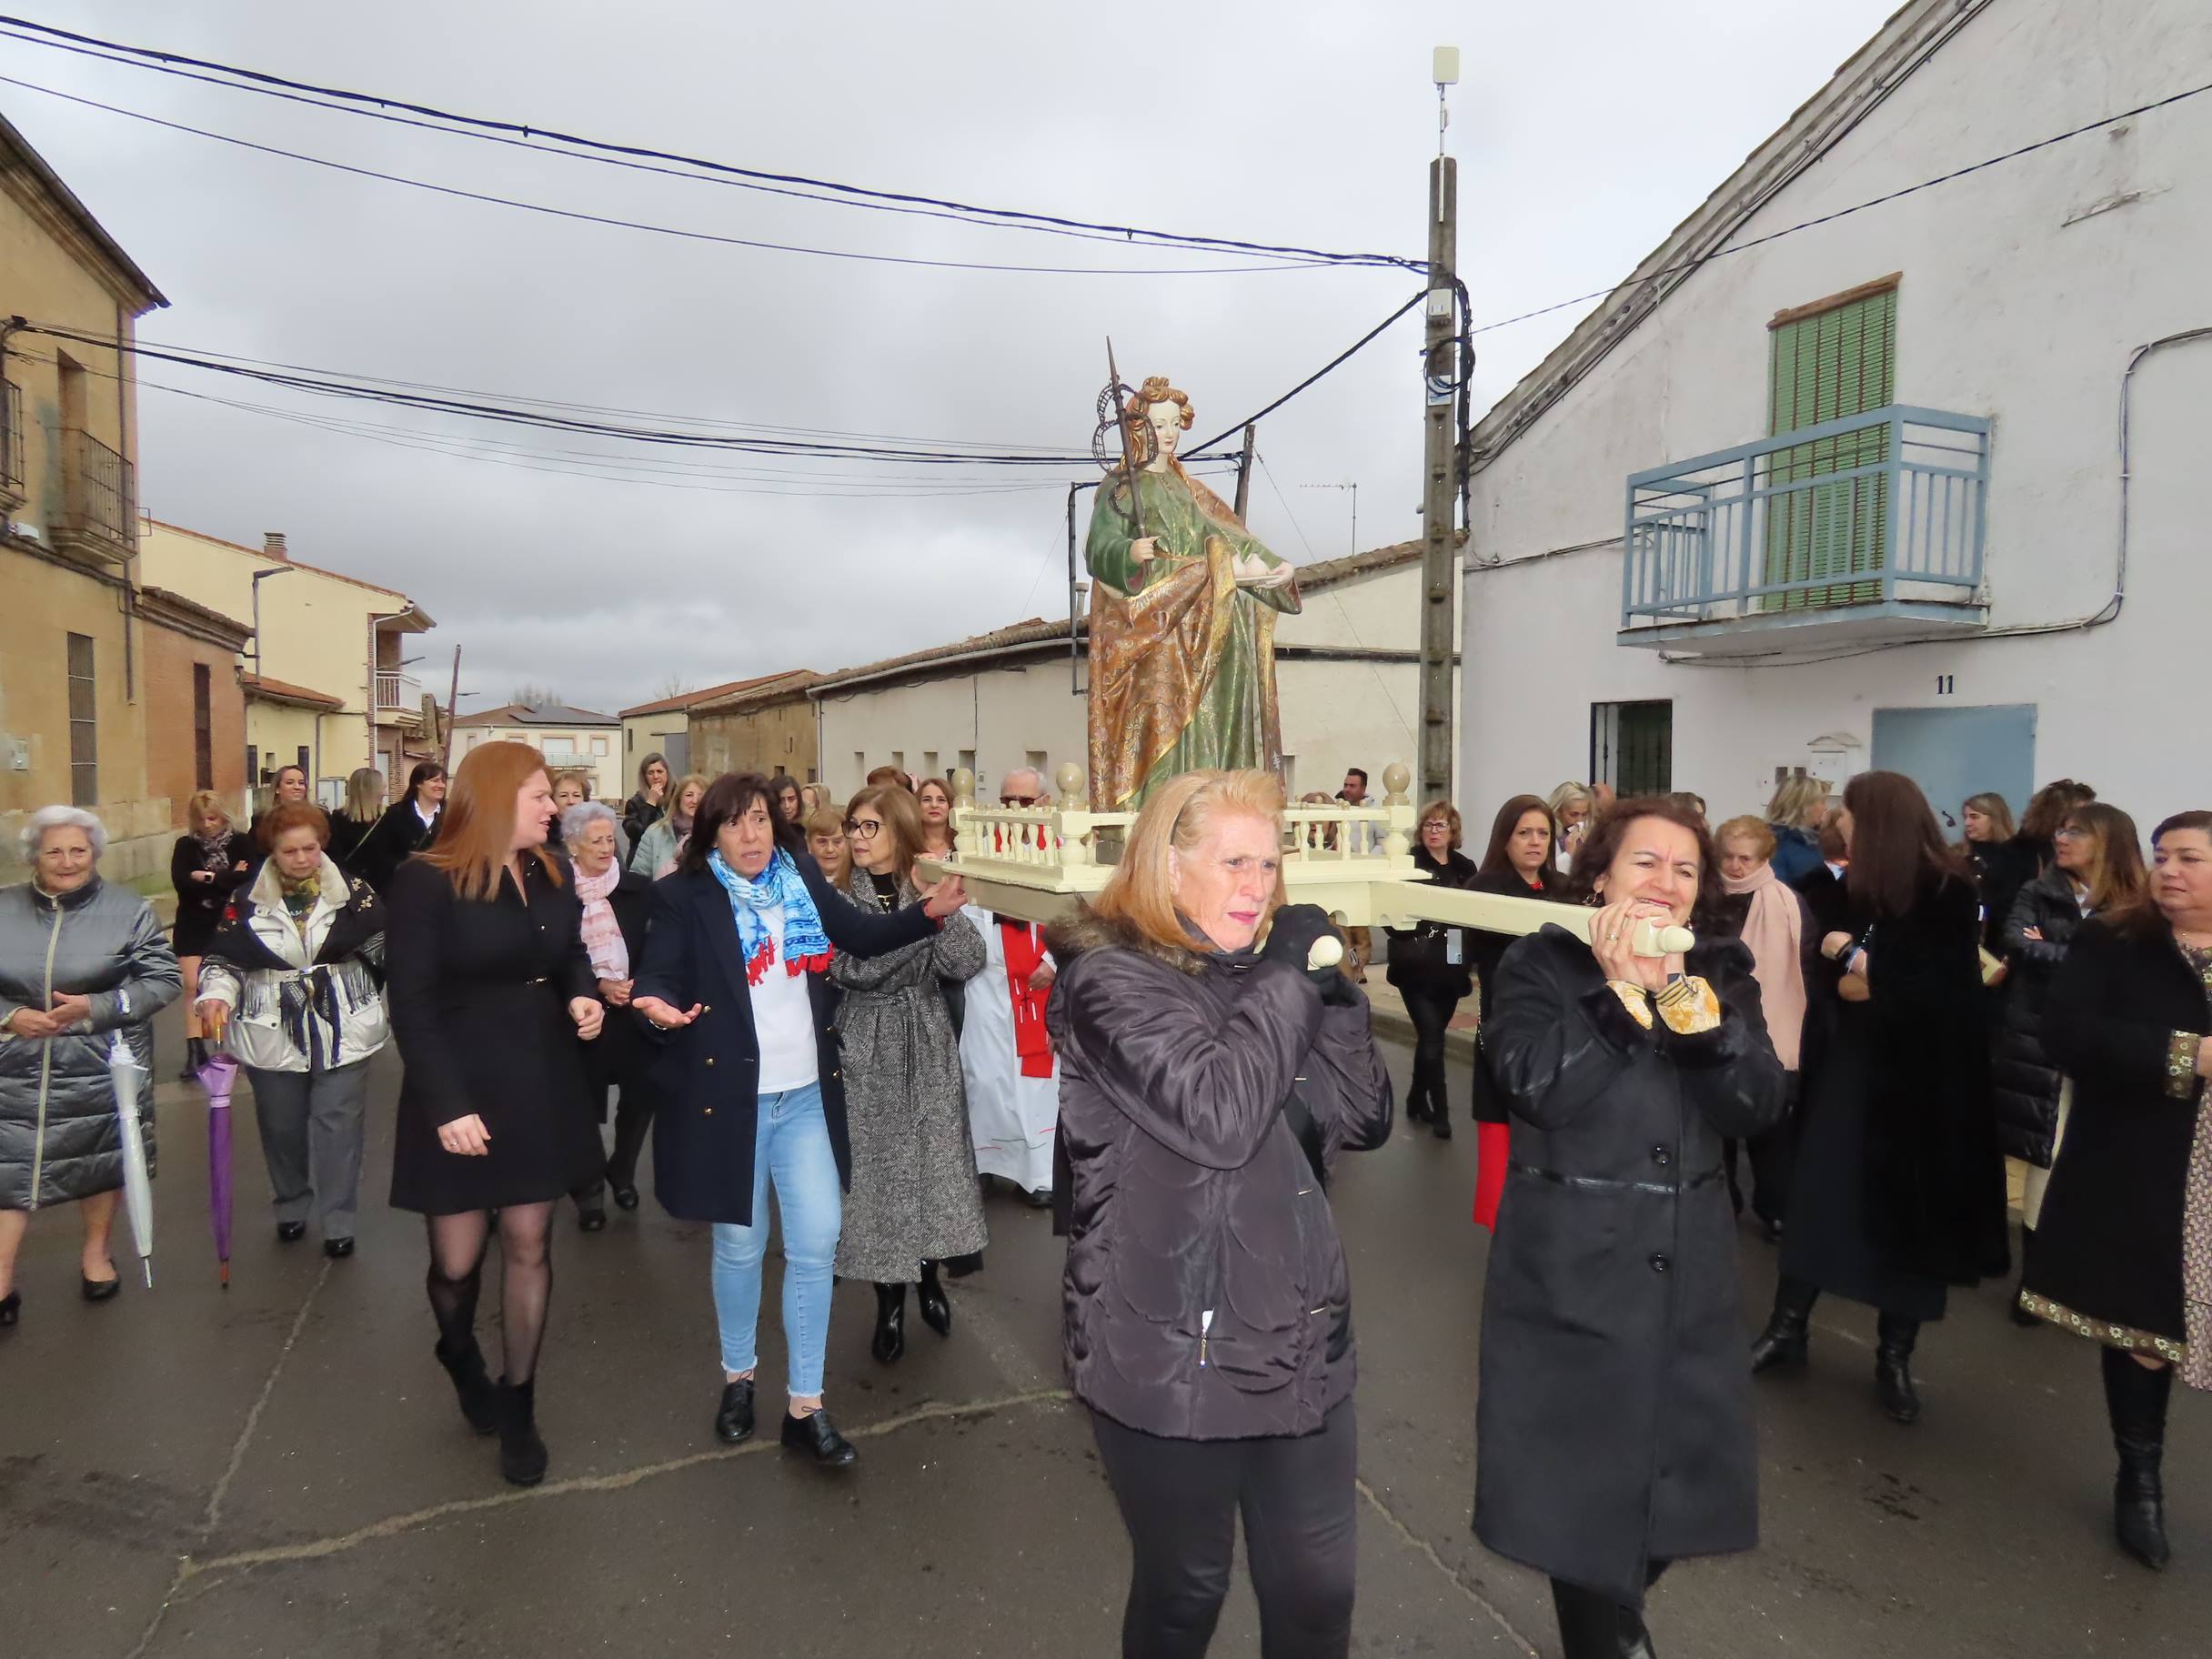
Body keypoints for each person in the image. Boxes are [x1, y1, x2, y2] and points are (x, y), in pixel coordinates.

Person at [1045, 769, 1391, 1657]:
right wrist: (1285, 982)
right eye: (1234, 861)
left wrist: (1340, 1005)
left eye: (1269, 865)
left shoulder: (1261, 982)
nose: (1258, 886)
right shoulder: (1107, 982)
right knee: (1184, 1591)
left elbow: (1359, 1119)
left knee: (1319, 1594)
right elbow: (1218, 1117)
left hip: (1298, 1334)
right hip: (1170, 1350)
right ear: (1166, 865)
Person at [1476, 797, 1784, 1658]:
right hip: (1571, 1270)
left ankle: (1614, 1615)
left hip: (1689, 1274)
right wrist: (1617, 998)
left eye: (1686, 870)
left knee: (1674, 1494)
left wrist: (1683, 1005)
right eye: (1646, 863)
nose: (1667, 883)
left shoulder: (1718, 968)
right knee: (1580, 1494)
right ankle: (1608, 1639)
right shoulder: (1543, 963)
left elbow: (1756, 1103)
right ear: (1601, 872)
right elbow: (1532, 1086)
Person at [630, 773, 969, 1469]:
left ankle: (805, 1406)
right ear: (711, 834)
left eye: (760, 820)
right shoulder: (682, 896)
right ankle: (739, 1378)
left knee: (815, 1245)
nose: (752, 835)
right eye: (735, 824)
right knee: (741, 1248)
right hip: (734, 1103)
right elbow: (660, 973)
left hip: (808, 1096)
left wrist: (928, 913)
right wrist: (658, 1006)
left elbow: (864, 936)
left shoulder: (801, 880)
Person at [1748, 771, 2009, 1424]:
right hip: (1850, 1067)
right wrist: (1863, 972)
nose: (1842, 825)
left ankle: (1894, 1356)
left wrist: (1865, 969)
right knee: (1819, 1194)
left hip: (1921, 1085)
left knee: (1909, 1221)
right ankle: (1787, 1329)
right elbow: (1832, 976)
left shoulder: (1947, 892)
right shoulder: (1849, 890)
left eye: (1853, 816)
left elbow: (1942, 994)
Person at [384, 741, 608, 1487]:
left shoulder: (551, 870)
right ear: (494, 798)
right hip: (457, 1082)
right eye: (542, 796)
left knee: (528, 1241)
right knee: (454, 1265)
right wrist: (447, 1105)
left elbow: (570, 951)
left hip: (538, 1075)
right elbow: (409, 1004)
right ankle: (458, 1352)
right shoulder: (424, 882)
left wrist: (578, 992)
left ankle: (519, 1406)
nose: (555, 808)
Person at [2019, 811, 2212, 1571]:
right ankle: (2140, 1482)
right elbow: (2066, 1033)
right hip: (2146, 1167)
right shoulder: (2116, 940)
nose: (2168, 869)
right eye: (2163, 856)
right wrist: (2184, 1055)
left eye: (2189, 858)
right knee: (2147, 1330)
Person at [1083, 377, 1302, 810]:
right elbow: (1098, 548)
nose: (1168, 433)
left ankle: (1216, 809)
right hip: (1161, 627)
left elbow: (1236, 540)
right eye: (1157, 424)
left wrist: (1279, 569)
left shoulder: (1194, 492)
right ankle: (1160, 812)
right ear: (1138, 429)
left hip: (1211, 628)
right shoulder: (1122, 489)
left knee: (1216, 721)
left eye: (1174, 424)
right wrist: (1129, 551)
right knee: (1162, 716)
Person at [0, 807, 182, 1322]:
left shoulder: (128, 910)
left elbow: (163, 981)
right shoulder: (3, 907)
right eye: (53, 850)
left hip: (100, 1059)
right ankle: (1, 1278)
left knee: (99, 1160)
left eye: (78, 850)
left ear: (95, 854)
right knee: (6, 1166)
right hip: (12, 1059)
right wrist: (11, 1016)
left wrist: (95, 1009)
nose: (67, 860)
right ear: (33, 856)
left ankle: (96, 1255)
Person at [830, 784, 988, 1362]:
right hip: (868, 1043)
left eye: (871, 827)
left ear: (898, 833)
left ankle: (929, 1278)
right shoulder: (838, 897)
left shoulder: (923, 887)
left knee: (931, 1167)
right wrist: (919, 919)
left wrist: (936, 909)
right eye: (853, 826)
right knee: (879, 1181)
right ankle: (888, 1301)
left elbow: (967, 960)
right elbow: (855, 968)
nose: (858, 838)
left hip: (926, 1037)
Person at [196, 801, 387, 1259]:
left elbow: (385, 944)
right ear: (272, 853)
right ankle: (291, 1203)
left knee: (339, 1125)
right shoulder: (244, 900)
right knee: (281, 1127)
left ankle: (339, 1218)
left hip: (346, 1022)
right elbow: (223, 959)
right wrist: (215, 994)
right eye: (291, 851)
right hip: (271, 1029)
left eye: (311, 848)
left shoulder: (356, 893)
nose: (303, 858)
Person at [1993, 802, 2147, 1320]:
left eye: (2077, 831)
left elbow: (2128, 967)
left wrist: (2055, 949)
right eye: (2062, 828)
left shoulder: (2139, 902)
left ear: (2109, 841)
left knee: (2101, 1162)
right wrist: (2084, 954)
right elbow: (2014, 942)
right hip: (2042, 1040)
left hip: (2109, 1050)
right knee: (2046, 1154)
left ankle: (2091, 1274)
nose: (2062, 837)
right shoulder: (2039, 890)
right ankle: (2035, 1283)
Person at [1713, 816, 1819, 1242]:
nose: (1736, 867)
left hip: (1773, 1025)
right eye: (1729, 857)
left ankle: (1777, 1207)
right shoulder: (1708, 899)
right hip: (1714, 1021)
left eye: (1746, 858)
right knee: (1714, 1121)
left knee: (1772, 1124)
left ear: (1764, 858)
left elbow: (1805, 967)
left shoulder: (1788, 903)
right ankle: (1723, 1202)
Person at [559, 802, 659, 1213]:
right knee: (580, 1106)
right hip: (580, 1016)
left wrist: (638, 986)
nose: (605, 848)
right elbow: (558, 955)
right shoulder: (558, 894)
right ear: (572, 847)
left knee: (640, 1096)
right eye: (594, 841)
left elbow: (658, 949)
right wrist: (599, 985)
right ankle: (588, 1193)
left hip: (633, 1011)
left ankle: (621, 1172)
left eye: (609, 840)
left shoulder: (637, 889)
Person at [1465, 796, 1565, 1201]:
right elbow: (1461, 944)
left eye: (1543, 833)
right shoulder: (1483, 888)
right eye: (1524, 833)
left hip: (1560, 1031)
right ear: (1505, 838)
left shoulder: (1564, 889)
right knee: (1501, 1144)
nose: (1534, 842)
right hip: (1503, 1027)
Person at [1385, 799, 1479, 1140]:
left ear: (1453, 831)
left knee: (1432, 1034)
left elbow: (1474, 914)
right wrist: (1415, 931)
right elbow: (1389, 911)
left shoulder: (1464, 866)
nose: (1433, 831)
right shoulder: (1409, 862)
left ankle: (1414, 1096)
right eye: (1428, 825)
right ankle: (1440, 1110)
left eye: (1441, 825)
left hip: (1453, 952)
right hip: (1416, 959)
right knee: (1433, 1035)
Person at [960, 890, 1059, 1208]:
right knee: (984, 1075)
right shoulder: (971, 847)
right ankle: (983, 1162)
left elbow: (1080, 911)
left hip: (1039, 976)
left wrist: (1056, 958)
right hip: (985, 981)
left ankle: (1041, 1174)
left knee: (1034, 1081)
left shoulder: (1058, 846)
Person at [169, 790, 256, 1079]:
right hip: (193, 923)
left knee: (231, 984)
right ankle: (195, 1050)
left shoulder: (242, 842)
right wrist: (224, 877)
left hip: (230, 921)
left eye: (213, 818)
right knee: (192, 985)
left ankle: (228, 1047)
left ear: (223, 816)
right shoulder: (185, 846)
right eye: (201, 819)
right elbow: (182, 882)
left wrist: (205, 876)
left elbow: (248, 879)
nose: (207, 825)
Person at [352, 761, 447, 892]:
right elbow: (380, 854)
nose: (441, 785)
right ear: (418, 784)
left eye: (443, 781)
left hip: (443, 887)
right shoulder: (395, 814)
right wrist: (402, 867)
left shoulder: (454, 814)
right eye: (435, 781)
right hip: (406, 888)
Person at [1961, 790, 2030, 953]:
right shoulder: (1957, 857)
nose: (1967, 823)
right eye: (1965, 817)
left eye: (1974, 816)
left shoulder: (2018, 856)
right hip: (1966, 942)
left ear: (1994, 818)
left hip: (2007, 943)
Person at [628, 772, 707, 879]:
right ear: (678, 800)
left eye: (701, 796)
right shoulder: (655, 833)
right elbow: (637, 878)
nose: (695, 800)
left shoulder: (718, 834)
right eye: (689, 795)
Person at [1765, 774, 1831, 885]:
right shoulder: (1775, 846)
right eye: (1822, 802)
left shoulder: (1813, 841)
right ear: (1805, 806)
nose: (1826, 808)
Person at [327, 767, 387, 869]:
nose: (385, 793)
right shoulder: (338, 820)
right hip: (352, 882)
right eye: (382, 788)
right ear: (369, 792)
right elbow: (335, 859)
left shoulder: (388, 817)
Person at [250, 763, 312, 847]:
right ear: (277, 789)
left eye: (301, 783)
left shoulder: (320, 817)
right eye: (290, 783)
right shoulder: (262, 819)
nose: (297, 787)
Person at [1546, 782, 1594, 875]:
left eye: (1584, 814)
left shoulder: (1588, 834)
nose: (1579, 821)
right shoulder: (1547, 834)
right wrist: (1568, 854)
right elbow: (1549, 876)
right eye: (1574, 814)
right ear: (1558, 811)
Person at [623, 753, 669, 847]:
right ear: (644, 777)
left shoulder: (677, 798)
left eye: (660, 771)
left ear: (667, 774)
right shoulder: (635, 802)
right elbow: (637, 834)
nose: (656, 777)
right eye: (650, 773)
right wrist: (650, 804)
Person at [802, 805, 852, 889]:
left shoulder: (864, 883)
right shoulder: (796, 885)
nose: (830, 849)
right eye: (822, 842)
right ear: (808, 844)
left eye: (837, 842)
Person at [915, 775, 958, 859]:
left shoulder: (961, 844)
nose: (934, 805)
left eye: (941, 800)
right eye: (927, 800)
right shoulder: (906, 846)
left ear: (951, 806)